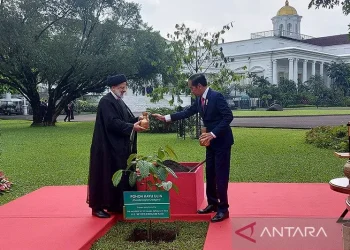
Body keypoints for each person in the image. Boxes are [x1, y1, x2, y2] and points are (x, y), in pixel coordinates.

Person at [152, 73, 234, 223]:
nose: (191, 91)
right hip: (210, 143)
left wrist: (213, 134)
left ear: (200, 86)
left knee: (221, 176)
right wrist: (167, 117)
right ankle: (213, 203)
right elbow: (187, 112)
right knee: (210, 174)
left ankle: (223, 209)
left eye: (192, 88)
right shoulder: (199, 99)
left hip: (221, 142)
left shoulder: (217, 97)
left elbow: (228, 117)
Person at [87, 74, 146, 218]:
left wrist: (137, 120)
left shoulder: (118, 101)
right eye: (121, 87)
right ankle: (97, 207)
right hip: (106, 145)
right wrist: (132, 126)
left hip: (118, 146)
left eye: (125, 87)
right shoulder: (106, 101)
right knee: (104, 173)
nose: (124, 90)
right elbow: (112, 122)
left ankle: (116, 204)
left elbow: (124, 119)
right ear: (113, 87)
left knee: (119, 173)